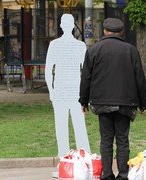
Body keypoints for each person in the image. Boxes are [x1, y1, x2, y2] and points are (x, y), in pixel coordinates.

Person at [79, 18, 146, 180]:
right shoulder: (131, 50)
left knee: (106, 140)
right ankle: (123, 175)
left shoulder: (94, 50)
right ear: (121, 32)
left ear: (104, 31)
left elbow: (86, 79)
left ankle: (107, 174)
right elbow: (140, 78)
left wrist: (83, 101)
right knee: (123, 140)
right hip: (126, 102)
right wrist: (143, 103)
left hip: (102, 102)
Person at [45, 14, 91, 157]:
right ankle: (84, 156)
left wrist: (51, 91)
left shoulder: (55, 45)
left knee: (62, 126)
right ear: (73, 26)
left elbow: (48, 70)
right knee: (79, 126)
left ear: (60, 25)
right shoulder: (80, 46)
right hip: (73, 90)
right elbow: (86, 73)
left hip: (61, 90)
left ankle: (64, 157)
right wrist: (86, 93)